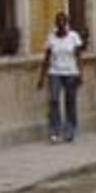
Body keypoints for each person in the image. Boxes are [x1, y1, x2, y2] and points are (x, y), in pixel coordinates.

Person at [37, 12, 84, 143]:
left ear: (67, 23)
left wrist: (80, 73)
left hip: (71, 73)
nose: (61, 24)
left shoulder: (74, 37)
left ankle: (70, 129)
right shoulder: (51, 38)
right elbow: (46, 58)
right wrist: (41, 77)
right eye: (59, 21)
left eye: (63, 21)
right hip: (55, 72)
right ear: (56, 23)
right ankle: (55, 130)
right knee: (54, 100)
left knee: (70, 101)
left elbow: (78, 56)